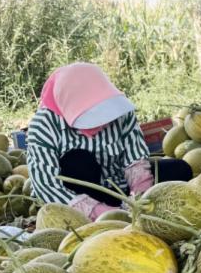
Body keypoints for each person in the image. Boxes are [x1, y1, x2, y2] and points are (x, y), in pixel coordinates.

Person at [27, 63, 192, 218]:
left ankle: (128, 205)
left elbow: (135, 159)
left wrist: (139, 196)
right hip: (79, 194)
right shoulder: (43, 125)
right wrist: (103, 213)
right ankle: (101, 211)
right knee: (77, 161)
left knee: (180, 169)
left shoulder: (121, 112)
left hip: (120, 185)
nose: (103, 121)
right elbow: (47, 186)